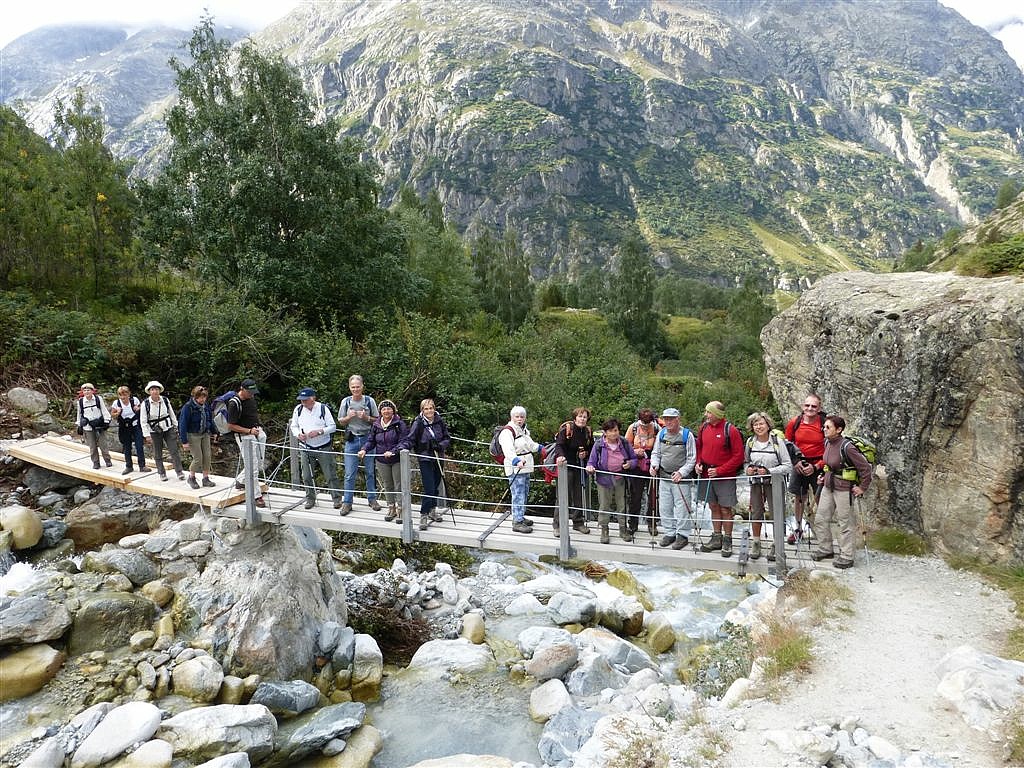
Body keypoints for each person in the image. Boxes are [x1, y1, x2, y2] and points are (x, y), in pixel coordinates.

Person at [811, 415, 873, 569]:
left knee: (845, 523)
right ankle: (825, 549)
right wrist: (823, 476)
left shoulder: (847, 447)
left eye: (828, 427)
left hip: (844, 489)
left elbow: (865, 468)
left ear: (839, 430)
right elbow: (830, 465)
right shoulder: (828, 442)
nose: (824, 429)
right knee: (820, 519)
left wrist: (862, 487)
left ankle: (847, 556)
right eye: (824, 427)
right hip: (828, 486)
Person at [695, 401, 745, 557]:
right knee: (713, 506)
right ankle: (717, 537)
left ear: (717, 414)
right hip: (707, 474)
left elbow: (738, 456)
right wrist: (698, 463)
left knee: (725, 508)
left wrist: (720, 470)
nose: (706, 415)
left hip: (725, 476)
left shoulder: (731, 430)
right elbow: (699, 447)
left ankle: (728, 540)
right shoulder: (704, 428)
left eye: (709, 412)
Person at [743, 412, 793, 560]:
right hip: (756, 482)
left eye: (761, 424)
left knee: (776, 513)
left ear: (768, 425)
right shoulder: (750, 442)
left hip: (774, 483)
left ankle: (777, 544)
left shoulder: (777, 442)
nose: (759, 427)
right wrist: (748, 470)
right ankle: (756, 542)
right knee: (756, 512)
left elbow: (788, 466)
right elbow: (746, 462)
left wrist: (769, 471)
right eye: (755, 424)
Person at [649, 407, 697, 550]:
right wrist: (654, 465)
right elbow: (656, 453)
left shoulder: (687, 435)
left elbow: (691, 458)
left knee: (682, 508)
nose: (668, 422)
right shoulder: (661, 433)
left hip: (681, 479)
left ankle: (682, 535)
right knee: (665, 507)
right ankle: (669, 533)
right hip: (664, 476)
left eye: (671, 419)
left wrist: (682, 472)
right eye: (666, 419)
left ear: (678, 419)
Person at [290, 387, 342, 510]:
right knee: (307, 475)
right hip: (306, 447)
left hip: (323, 446)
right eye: (301, 400)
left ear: (313, 398)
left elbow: (332, 427)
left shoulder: (323, 408)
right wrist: (298, 435)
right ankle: (310, 498)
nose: (303, 402)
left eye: (305, 399)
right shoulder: (298, 409)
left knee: (330, 474)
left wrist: (319, 432)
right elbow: (294, 426)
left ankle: (337, 499)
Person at [586, 418, 637, 544]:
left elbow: (634, 459)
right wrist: (590, 468)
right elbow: (591, 461)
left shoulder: (624, 442)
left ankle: (623, 529)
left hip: (620, 478)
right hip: (604, 479)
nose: (614, 433)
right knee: (604, 505)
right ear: (605, 432)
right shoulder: (599, 444)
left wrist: (630, 464)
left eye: (616, 430)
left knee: (622, 505)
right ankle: (604, 529)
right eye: (611, 431)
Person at [402, 398, 451, 530]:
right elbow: (411, 439)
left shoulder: (439, 421)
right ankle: (424, 514)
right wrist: (402, 448)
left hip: (438, 456)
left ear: (434, 409)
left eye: (431, 408)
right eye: (426, 409)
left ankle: (432, 510)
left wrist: (440, 445)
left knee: (436, 484)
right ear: (422, 410)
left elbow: (447, 438)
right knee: (429, 487)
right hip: (425, 458)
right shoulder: (418, 423)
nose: (429, 411)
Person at [785, 393, 826, 544]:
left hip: (819, 464)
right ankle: (798, 529)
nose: (810, 408)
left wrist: (817, 466)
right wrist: (795, 462)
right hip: (799, 464)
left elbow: (830, 449)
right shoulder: (794, 423)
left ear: (819, 408)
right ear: (803, 406)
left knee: (820, 498)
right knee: (799, 497)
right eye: (807, 405)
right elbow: (787, 444)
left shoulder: (824, 424)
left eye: (814, 406)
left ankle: (823, 532)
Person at [360, 399, 408, 522]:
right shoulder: (376, 425)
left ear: (393, 410)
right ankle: (391, 507)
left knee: (398, 484)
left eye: (389, 409)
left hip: (397, 459)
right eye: (384, 409)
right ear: (380, 411)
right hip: (381, 460)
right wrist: (364, 449)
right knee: (387, 484)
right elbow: (371, 440)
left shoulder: (399, 424)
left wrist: (393, 451)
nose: (386, 411)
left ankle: (401, 509)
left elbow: (404, 441)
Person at [338, 374, 380, 514]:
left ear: (362, 386)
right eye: (353, 387)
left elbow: (378, 420)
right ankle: (347, 502)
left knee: (370, 471)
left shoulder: (369, 401)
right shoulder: (345, 402)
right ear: (350, 388)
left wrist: (366, 417)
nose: (355, 389)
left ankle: (372, 499)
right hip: (352, 439)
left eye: (358, 386)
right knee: (349, 473)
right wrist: (348, 417)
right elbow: (340, 421)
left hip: (368, 439)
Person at [498, 405, 539, 534]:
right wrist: (516, 461)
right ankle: (517, 521)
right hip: (516, 468)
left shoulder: (523, 430)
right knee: (518, 494)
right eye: (517, 416)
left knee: (524, 492)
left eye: (522, 416)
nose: (519, 419)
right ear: (512, 417)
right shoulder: (507, 432)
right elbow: (508, 449)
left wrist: (541, 448)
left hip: (525, 467)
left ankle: (520, 516)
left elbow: (530, 445)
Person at [553, 407, 594, 536]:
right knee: (562, 496)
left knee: (579, 496)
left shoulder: (588, 432)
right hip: (565, 466)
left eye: (585, 417)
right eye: (580, 416)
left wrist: (585, 454)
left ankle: (578, 523)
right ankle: (558, 525)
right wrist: (560, 456)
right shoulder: (567, 430)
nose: (582, 419)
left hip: (580, 467)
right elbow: (559, 445)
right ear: (575, 417)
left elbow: (592, 449)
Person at [226, 378, 267, 508]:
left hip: (256, 432)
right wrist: (249, 431)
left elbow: (252, 415)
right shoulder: (234, 403)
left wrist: (257, 428)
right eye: (249, 392)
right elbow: (230, 426)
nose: (252, 394)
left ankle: (240, 480)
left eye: (253, 392)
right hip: (244, 436)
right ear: (242, 389)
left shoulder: (251, 399)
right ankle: (256, 496)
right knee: (252, 466)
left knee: (259, 462)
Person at [141, 381, 185, 482]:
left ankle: (179, 471)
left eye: (156, 389)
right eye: (152, 390)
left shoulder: (165, 400)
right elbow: (143, 421)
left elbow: (171, 413)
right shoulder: (145, 404)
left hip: (168, 427)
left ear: (159, 390)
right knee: (157, 452)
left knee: (174, 450)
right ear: (149, 391)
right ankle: (161, 472)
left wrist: (176, 426)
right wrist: (146, 435)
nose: (155, 391)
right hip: (154, 430)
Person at [625, 408, 659, 537]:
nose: (645, 426)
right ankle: (633, 523)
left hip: (652, 465)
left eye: (647, 423)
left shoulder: (657, 428)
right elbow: (625, 446)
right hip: (636, 466)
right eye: (643, 423)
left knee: (653, 496)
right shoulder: (633, 428)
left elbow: (660, 447)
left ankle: (652, 523)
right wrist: (635, 451)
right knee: (635, 496)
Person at [179, 386, 216, 489]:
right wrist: (184, 441)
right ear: (195, 397)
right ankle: (191, 477)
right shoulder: (188, 407)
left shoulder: (206, 406)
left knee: (207, 456)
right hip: (193, 434)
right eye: (200, 397)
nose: (203, 399)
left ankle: (205, 478)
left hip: (205, 433)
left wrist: (214, 431)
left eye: (204, 397)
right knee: (198, 458)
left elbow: (210, 419)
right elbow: (182, 424)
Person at [75, 383, 113, 470]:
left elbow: (104, 410)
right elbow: (79, 414)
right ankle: (95, 462)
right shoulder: (80, 402)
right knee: (92, 446)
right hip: (88, 427)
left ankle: (107, 460)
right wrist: (79, 425)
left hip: (99, 425)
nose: (86, 392)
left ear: (92, 391)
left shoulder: (98, 399)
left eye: (88, 390)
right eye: (84, 390)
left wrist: (106, 421)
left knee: (103, 444)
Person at [110, 385, 146, 475]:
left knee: (139, 445)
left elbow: (143, 409)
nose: (123, 397)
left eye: (125, 394)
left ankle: (142, 466)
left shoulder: (134, 400)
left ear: (129, 394)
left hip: (135, 426)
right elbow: (112, 415)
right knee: (127, 447)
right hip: (124, 427)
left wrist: (138, 409)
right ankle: (129, 466)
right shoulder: (116, 403)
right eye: (121, 395)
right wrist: (117, 413)